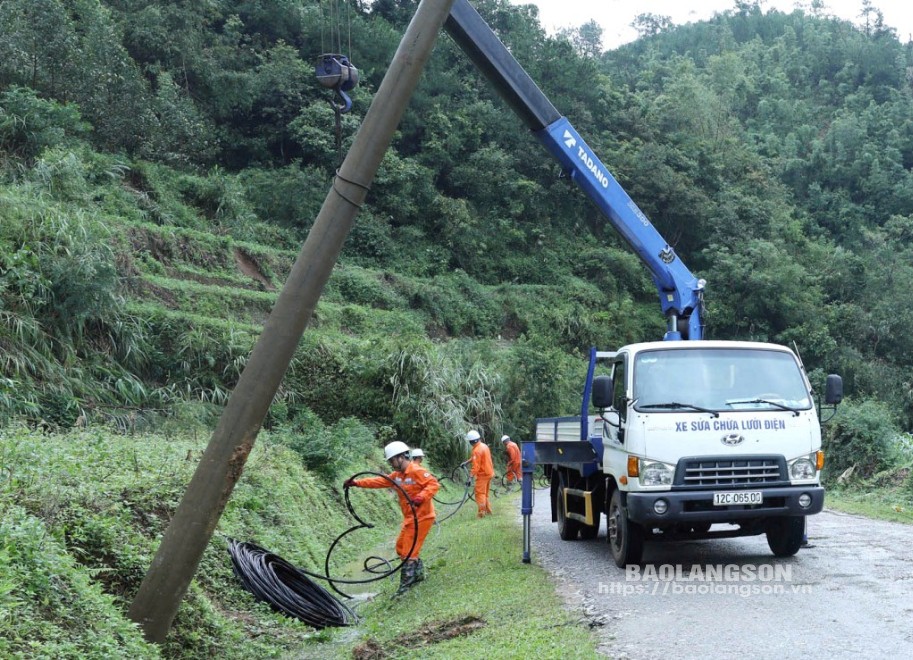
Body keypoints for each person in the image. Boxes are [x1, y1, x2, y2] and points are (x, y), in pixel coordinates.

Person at [344, 441, 439, 595]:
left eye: (392, 460)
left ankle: (404, 588)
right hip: (410, 518)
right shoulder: (397, 476)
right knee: (401, 547)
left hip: (423, 517)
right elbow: (378, 481)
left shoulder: (416, 471)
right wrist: (356, 483)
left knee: (409, 552)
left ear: (401, 457)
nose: (391, 464)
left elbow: (433, 484)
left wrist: (421, 497)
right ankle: (418, 573)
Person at [466, 430, 494, 517]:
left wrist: (470, 477)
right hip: (489, 473)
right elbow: (477, 458)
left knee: (480, 493)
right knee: (485, 494)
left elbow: (476, 467)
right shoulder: (484, 446)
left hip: (483, 475)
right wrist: (467, 461)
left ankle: (481, 513)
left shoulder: (477, 450)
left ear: (471, 441)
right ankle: (488, 511)